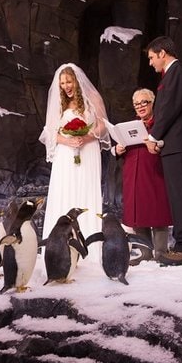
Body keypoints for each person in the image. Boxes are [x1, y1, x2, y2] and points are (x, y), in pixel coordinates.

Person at [39, 63, 111, 260]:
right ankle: (59, 248)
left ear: (77, 81)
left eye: (69, 81)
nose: (66, 86)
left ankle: (91, 247)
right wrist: (68, 140)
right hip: (65, 153)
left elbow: (103, 125)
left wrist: (87, 137)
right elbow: (50, 132)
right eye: (62, 83)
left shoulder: (93, 99)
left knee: (86, 192)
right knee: (65, 192)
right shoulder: (60, 103)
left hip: (88, 150)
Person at [144, 36, 182, 265]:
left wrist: (153, 136)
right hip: (175, 147)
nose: (150, 63)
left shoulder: (177, 71)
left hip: (181, 147)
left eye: (151, 57)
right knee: (178, 197)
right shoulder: (172, 74)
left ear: (162, 53)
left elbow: (169, 109)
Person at [114, 89, 172, 263]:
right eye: (137, 104)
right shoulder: (131, 126)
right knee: (139, 212)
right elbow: (121, 147)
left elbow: (170, 144)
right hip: (133, 173)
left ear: (152, 103)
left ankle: (161, 251)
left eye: (144, 102)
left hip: (154, 171)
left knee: (157, 210)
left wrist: (159, 145)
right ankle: (146, 253)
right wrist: (117, 150)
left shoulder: (161, 123)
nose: (140, 106)